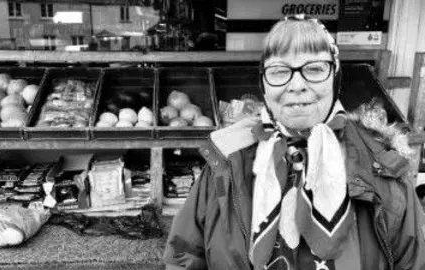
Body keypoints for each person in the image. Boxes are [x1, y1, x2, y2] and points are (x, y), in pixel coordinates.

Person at [163, 14, 425, 270]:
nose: (297, 84)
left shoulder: (382, 168)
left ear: (335, 78)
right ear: (264, 84)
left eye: (314, 69)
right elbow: (183, 256)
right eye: (279, 71)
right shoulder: (228, 160)